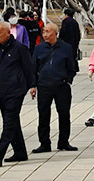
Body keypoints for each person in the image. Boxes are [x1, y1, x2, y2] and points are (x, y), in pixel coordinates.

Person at [0, 22, 36, 168]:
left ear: (8, 33)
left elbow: (29, 67)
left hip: (16, 90)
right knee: (12, 121)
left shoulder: (19, 48)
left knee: (8, 123)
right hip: (2, 90)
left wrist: (32, 85)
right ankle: (20, 152)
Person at [32, 22, 79, 151]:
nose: (45, 34)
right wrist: (33, 85)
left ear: (55, 33)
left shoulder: (66, 48)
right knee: (43, 115)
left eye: (48, 31)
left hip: (61, 86)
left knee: (64, 114)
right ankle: (44, 143)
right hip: (44, 86)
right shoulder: (39, 48)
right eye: (44, 32)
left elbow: (72, 67)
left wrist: (68, 80)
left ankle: (63, 142)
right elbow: (33, 68)